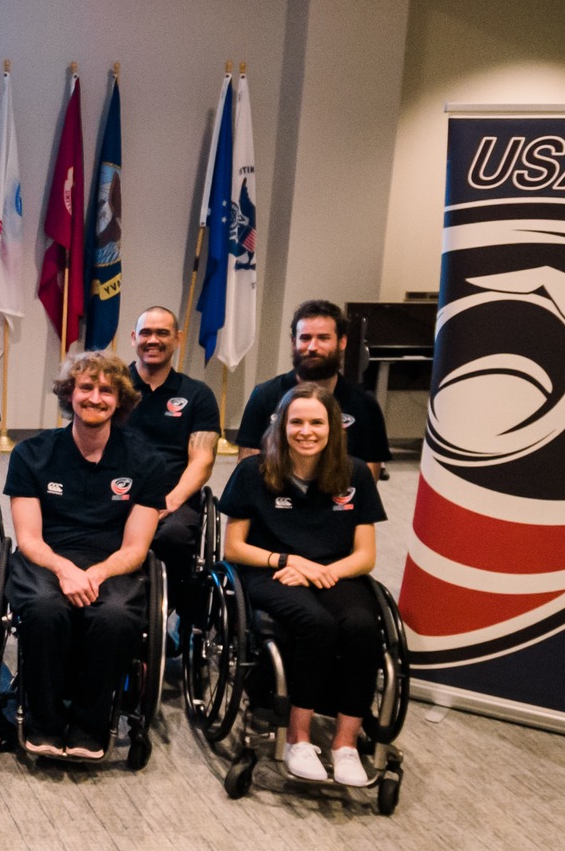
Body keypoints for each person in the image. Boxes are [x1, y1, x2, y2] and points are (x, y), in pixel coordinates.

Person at [218, 381, 387, 787]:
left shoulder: (356, 474)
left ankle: (345, 744)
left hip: (334, 572)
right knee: (317, 624)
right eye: (297, 422)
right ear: (281, 426)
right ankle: (299, 736)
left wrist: (325, 571)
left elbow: (366, 555)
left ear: (333, 428)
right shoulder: (253, 471)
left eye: (317, 422)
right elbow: (234, 548)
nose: (306, 431)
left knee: (364, 626)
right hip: (270, 570)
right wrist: (290, 560)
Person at [3, 352, 165, 759]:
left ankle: (92, 724)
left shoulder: (146, 461)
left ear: (120, 400)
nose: (95, 397)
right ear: (68, 394)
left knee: (113, 616)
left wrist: (95, 574)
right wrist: (65, 569)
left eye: (106, 390)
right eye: (86, 388)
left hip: (113, 562)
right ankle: (44, 720)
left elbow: (136, 547)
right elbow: (28, 539)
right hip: (47, 558)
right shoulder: (32, 454)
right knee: (43, 608)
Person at [123, 305, 220, 606]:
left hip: (173, 496)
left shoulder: (197, 394)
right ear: (133, 338)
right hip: (117, 490)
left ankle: (165, 607)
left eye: (162, 333)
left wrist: (171, 500)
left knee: (174, 536)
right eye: (146, 332)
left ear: (177, 339)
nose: (153, 340)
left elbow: (203, 459)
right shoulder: (113, 388)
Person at [235, 300, 391, 479]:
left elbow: (367, 484)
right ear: (294, 342)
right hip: (274, 500)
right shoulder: (264, 396)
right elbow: (247, 472)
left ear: (342, 342)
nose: (312, 348)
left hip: (339, 500)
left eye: (323, 338)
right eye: (305, 338)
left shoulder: (365, 406)